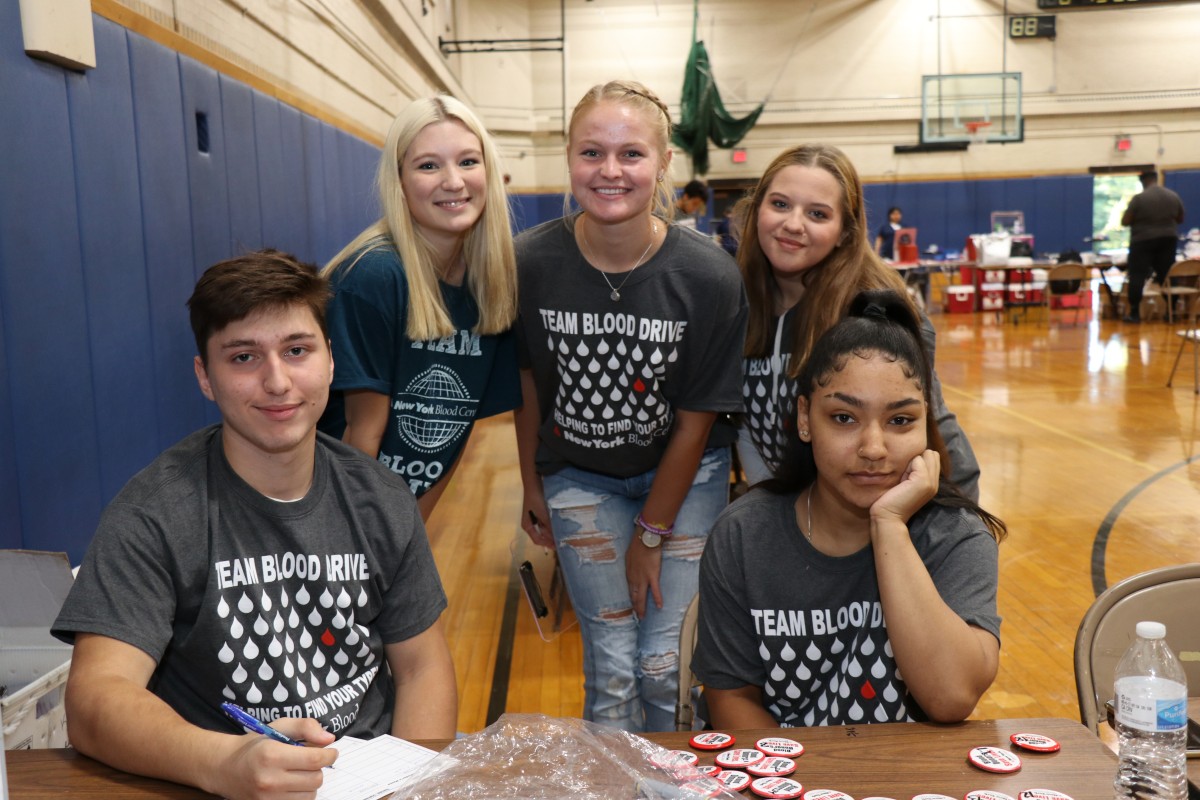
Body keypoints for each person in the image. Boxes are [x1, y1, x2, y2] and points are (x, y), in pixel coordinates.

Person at [52, 251, 457, 800]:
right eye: (243, 357)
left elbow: (422, 668)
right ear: (205, 377)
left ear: (331, 361)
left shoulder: (380, 496)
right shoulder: (153, 514)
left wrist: (409, 787)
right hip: (215, 782)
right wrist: (224, 762)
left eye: (297, 350)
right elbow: (96, 698)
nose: (277, 381)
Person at [514, 80, 747, 733]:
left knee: (663, 666)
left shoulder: (707, 275)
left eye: (631, 154)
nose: (610, 171)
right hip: (579, 477)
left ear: (664, 162)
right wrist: (532, 482)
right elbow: (528, 382)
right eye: (592, 152)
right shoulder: (529, 262)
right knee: (614, 667)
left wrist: (652, 535)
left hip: (688, 476)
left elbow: (698, 420)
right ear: (568, 158)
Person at [694, 288, 1005, 730]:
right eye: (843, 418)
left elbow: (951, 697)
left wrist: (890, 525)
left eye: (900, 420)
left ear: (926, 427)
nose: (873, 448)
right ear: (805, 418)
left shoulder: (956, 537)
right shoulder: (744, 534)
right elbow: (732, 701)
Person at [733, 144, 980, 501]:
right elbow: (744, 428)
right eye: (780, 204)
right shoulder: (737, 301)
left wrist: (963, 527)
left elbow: (936, 427)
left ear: (845, 233)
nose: (793, 224)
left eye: (817, 214)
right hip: (792, 522)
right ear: (757, 211)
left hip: (873, 520)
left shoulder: (875, 310)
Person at [318, 95, 520, 518]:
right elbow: (362, 436)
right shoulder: (374, 276)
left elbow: (453, 431)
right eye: (429, 165)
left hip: (398, 515)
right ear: (400, 181)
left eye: (468, 161)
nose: (454, 181)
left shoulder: (490, 284)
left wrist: (413, 535)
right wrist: (365, 553)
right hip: (338, 511)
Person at [1121, 169, 1185, 323]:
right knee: (1167, 276)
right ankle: (1171, 311)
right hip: (1167, 239)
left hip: (1142, 240)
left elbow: (1125, 221)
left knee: (1137, 275)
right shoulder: (1173, 196)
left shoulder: (1139, 199)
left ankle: (1135, 313)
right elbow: (1180, 218)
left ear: (1143, 181)